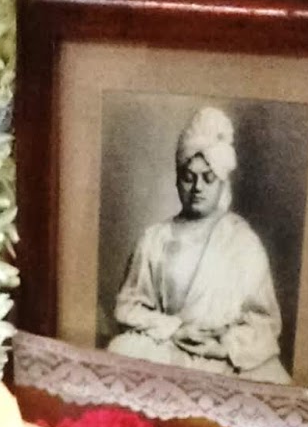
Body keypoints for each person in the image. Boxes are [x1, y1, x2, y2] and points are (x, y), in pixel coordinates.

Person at [107, 107, 290, 383]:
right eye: (188, 177)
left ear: (222, 182)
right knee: (120, 350)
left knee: (273, 383)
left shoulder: (243, 242)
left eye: (208, 178)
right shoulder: (155, 238)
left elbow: (264, 321)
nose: (197, 188)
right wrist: (174, 329)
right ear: (177, 178)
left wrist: (223, 348)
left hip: (221, 354)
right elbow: (128, 306)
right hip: (168, 346)